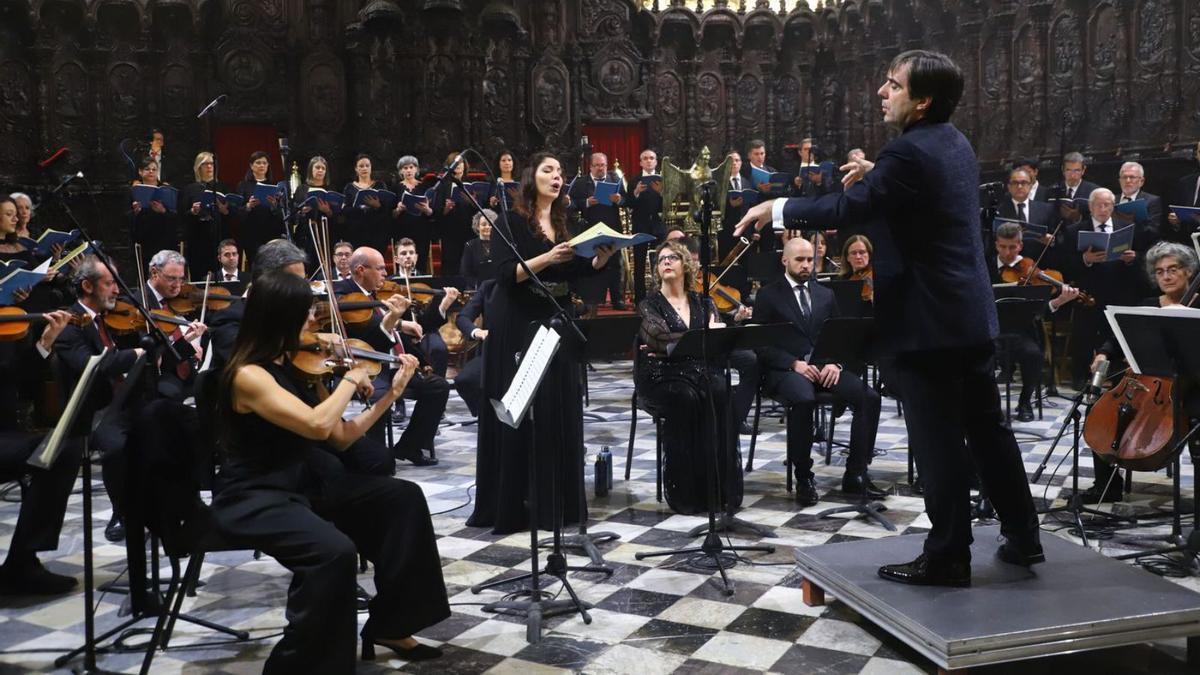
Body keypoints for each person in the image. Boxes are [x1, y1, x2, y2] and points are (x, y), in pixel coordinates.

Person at [735, 49, 1043, 585]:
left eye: (893, 85)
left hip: (927, 325)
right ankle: (1023, 538)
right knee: (989, 432)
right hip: (968, 317)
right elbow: (921, 192)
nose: (882, 92)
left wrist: (776, 208)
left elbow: (844, 210)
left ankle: (948, 556)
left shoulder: (908, 153)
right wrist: (880, 174)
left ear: (921, 100)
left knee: (937, 442)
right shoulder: (953, 141)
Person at [213, 270, 448, 673]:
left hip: (303, 484)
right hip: (255, 495)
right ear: (277, 317)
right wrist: (349, 379)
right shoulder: (247, 374)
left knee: (402, 498)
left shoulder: (301, 364)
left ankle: (392, 623)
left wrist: (391, 393)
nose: (315, 322)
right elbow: (317, 425)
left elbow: (340, 437)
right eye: (306, 314)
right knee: (332, 553)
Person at [468, 151, 616, 534]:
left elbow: (579, 268)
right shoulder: (511, 222)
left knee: (557, 408)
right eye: (549, 170)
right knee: (525, 414)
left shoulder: (566, 221)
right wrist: (548, 257)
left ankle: (556, 504)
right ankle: (516, 505)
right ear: (531, 177)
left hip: (557, 320)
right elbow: (504, 275)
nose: (557, 176)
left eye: (561, 171)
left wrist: (600, 259)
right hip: (517, 324)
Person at [751, 237, 883, 505]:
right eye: (799, 259)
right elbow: (760, 343)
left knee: (869, 397)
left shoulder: (826, 294)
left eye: (810, 260)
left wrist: (836, 363)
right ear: (784, 260)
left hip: (824, 367)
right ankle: (803, 476)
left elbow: (838, 336)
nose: (806, 265)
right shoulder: (768, 295)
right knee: (804, 399)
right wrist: (794, 364)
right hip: (786, 370)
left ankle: (856, 473)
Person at [1081, 241, 1199, 503]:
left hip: (1189, 385)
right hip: (1146, 384)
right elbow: (1117, 336)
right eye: (1159, 271)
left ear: (1189, 271)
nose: (1166, 276)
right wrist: (1104, 353)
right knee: (1098, 408)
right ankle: (1106, 484)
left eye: (1173, 269)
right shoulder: (1148, 304)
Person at [636, 240, 741, 514]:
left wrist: (680, 344)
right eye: (661, 259)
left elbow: (715, 338)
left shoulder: (702, 300)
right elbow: (657, 338)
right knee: (686, 398)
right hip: (661, 375)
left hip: (700, 370)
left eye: (673, 258)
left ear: (685, 265)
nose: (666, 262)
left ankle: (719, 492)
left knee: (720, 389)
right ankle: (686, 494)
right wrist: (699, 337)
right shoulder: (650, 304)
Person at [53, 256, 146, 542]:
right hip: (93, 411)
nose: (117, 290)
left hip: (120, 402)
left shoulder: (102, 320)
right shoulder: (70, 325)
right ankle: (122, 512)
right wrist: (134, 355)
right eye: (109, 283)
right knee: (118, 444)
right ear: (87, 286)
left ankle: (157, 507)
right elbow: (94, 366)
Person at [334, 246, 449, 465]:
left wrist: (402, 327)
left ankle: (408, 447)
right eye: (380, 269)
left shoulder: (374, 295)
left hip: (394, 365)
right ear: (360, 270)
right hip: (367, 369)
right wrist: (394, 319)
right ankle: (377, 459)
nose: (386, 274)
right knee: (379, 395)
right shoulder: (342, 294)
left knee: (438, 387)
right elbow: (372, 338)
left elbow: (390, 330)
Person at [0, 308, 81, 596]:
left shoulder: (9, 328)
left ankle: (22, 561)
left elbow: (20, 381)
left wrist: (45, 343)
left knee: (64, 447)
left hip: (6, 433)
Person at [988, 222, 1082, 422]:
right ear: (996, 245)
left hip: (1022, 331)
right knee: (980, 357)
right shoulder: (986, 267)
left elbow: (1040, 310)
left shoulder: (1030, 268)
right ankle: (989, 406)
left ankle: (1025, 403)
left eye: (1012, 247)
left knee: (1033, 355)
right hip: (990, 331)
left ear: (1020, 246)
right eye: (1003, 247)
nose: (1007, 252)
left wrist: (1060, 300)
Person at [567, 151, 627, 310]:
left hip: (612, 227)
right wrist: (585, 202)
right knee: (591, 263)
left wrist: (619, 199)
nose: (600, 168)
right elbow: (571, 203)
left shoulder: (614, 178)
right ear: (590, 167)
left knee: (615, 264)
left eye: (603, 165)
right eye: (597, 165)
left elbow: (626, 200)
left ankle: (617, 299)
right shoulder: (581, 183)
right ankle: (591, 299)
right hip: (589, 228)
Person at [180, 152, 231, 279]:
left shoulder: (223, 187)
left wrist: (225, 211)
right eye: (205, 164)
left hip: (218, 236)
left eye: (212, 164)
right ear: (198, 167)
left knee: (220, 275)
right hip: (197, 238)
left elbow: (232, 215)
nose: (209, 167)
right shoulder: (189, 189)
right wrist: (193, 211)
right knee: (199, 275)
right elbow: (181, 215)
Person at [236, 151, 284, 268]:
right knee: (256, 266)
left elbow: (282, 213)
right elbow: (237, 211)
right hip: (252, 233)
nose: (262, 165)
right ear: (251, 166)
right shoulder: (243, 185)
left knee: (273, 267)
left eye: (264, 163)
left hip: (272, 233)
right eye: (258, 163)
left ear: (268, 166)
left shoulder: (275, 185)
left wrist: (274, 205)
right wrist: (248, 206)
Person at [431, 151, 475, 277]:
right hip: (450, 230)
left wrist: (471, 201)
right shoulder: (443, 185)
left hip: (468, 230)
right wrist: (446, 209)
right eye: (455, 163)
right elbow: (436, 211)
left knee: (468, 263)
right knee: (451, 264)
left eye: (461, 162)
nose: (459, 165)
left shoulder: (471, 184)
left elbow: (478, 210)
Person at [630, 148, 665, 302]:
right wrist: (636, 192)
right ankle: (639, 299)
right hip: (640, 224)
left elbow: (667, 206)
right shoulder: (634, 180)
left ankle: (662, 296)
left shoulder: (663, 179)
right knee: (639, 262)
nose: (649, 160)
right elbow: (628, 203)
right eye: (645, 158)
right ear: (640, 162)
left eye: (652, 158)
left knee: (663, 260)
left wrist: (662, 193)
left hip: (657, 224)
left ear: (656, 161)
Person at [343, 154, 394, 259]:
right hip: (357, 231)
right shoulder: (349, 187)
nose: (364, 168)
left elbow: (388, 208)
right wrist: (360, 208)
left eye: (367, 165)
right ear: (356, 169)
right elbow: (345, 210)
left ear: (371, 168)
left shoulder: (380, 185)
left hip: (377, 231)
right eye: (361, 166)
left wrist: (378, 205)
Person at [130, 155, 181, 258]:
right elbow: (126, 217)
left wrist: (163, 210)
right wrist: (135, 212)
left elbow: (175, 215)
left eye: (154, 169)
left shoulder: (166, 189)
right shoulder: (133, 190)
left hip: (164, 236)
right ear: (140, 172)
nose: (151, 172)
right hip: (145, 238)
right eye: (147, 169)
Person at [391, 155, 435, 273]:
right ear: (400, 171)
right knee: (403, 260)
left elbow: (432, 213)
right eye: (405, 168)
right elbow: (391, 215)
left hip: (421, 230)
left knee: (420, 260)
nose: (408, 170)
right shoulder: (395, 188)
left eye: (411, 167)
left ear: (416, 169)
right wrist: (398, 209)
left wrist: (427, 210)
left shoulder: (425, 187)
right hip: (402, 230)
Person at [1166, 140, 1200, 244]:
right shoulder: (1185, 182)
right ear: (1197, 155)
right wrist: (1175, 221)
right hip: (1187, 246)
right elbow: (1177, 212)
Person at [459, 209, 496, 286]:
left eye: (490, 224)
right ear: (477, 226)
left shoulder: (500, 244)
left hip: (497, 288)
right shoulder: (470, 245)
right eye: (484, 224)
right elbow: (465, 272)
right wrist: (477, 285)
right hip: (477, 289)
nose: (487, 227)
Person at [838, 234, 875, 304]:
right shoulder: (842, 280)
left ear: (869, 255)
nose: (858, 257)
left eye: (862, 252)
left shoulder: (877, 276)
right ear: (847, 257)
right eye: (853, 253)